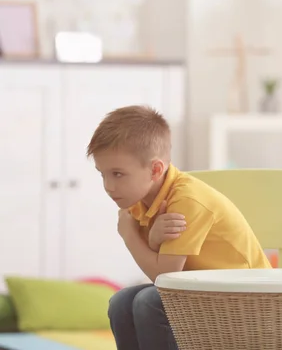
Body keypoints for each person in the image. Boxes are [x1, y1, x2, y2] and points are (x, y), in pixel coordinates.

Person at [86, 105, 271, 350]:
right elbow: (160, 262)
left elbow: (164, 278)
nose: (108, 186)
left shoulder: (186, 201)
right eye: (102, 174)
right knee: (121, 302)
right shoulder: (138, 199)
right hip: (204, 289)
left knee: (149, 301)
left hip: (246, 297)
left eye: (118, 174)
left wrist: (130, 235)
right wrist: (152, 241)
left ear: (155, 169)